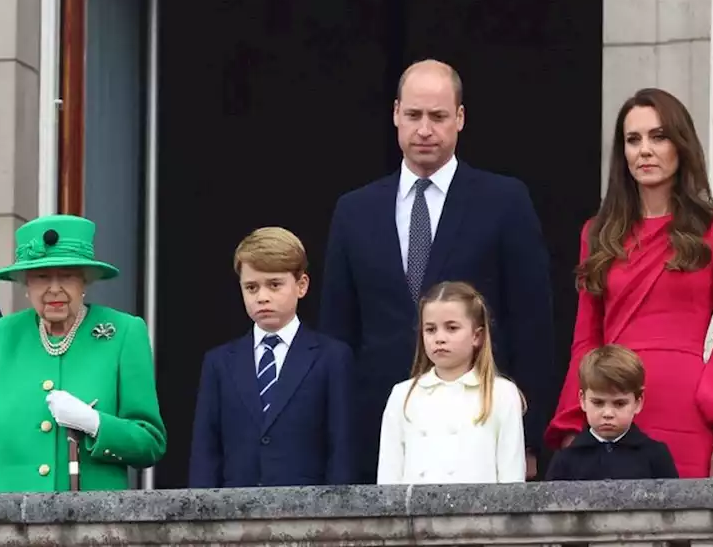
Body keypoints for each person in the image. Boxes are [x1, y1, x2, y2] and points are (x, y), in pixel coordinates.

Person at [320, 59, 553, 482]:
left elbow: (533, 322)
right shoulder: (354, 211)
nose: (425, 129)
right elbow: (338, 333)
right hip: (380, 432)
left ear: (460, 118)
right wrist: (339, 443)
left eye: (438, 116)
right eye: (413, 115)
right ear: (395, 114)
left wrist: (529, 438)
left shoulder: (504, 201)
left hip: (480, 430)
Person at [546, 88, 713, 478]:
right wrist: (573, 421)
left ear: (681, 145)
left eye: (658, 136)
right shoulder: (596, 234)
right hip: (612, 407)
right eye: (634, 140)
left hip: (686, 411)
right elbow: (585, 339)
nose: (645, 150)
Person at [0, 214, 166, 493]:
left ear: (85, 282)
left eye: (67, 275)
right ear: (25, 284)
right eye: (42, 277)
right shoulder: (1, 336)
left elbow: (150, 443)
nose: (54, 289)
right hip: (11, 527)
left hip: (94, 526)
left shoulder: (124, 332)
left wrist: (95, 424)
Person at [188, 227, 353, 488]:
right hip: (233, 513)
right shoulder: (219, 362)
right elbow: (206, 451)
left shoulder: (332, 357)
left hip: (308, 514)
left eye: (275, 285)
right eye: (251, 287)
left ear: (302, 285)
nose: (262, 297)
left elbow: (341, 448)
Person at [376, 281, 525, 484]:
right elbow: (388, 479)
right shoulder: (403, 395)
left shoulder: (501, 393)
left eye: (452, 328)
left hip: (479, 515)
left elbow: (512, 478)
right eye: (431, 329)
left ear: (477, 336)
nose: (440, 338)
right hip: (417, 515)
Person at [546, 345, 678, 481]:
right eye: (598, 403)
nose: (608, 413)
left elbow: (674, 501)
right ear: (583, 400)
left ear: (638, 403)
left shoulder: (655, 455)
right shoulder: (566, 459)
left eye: (619, 404)